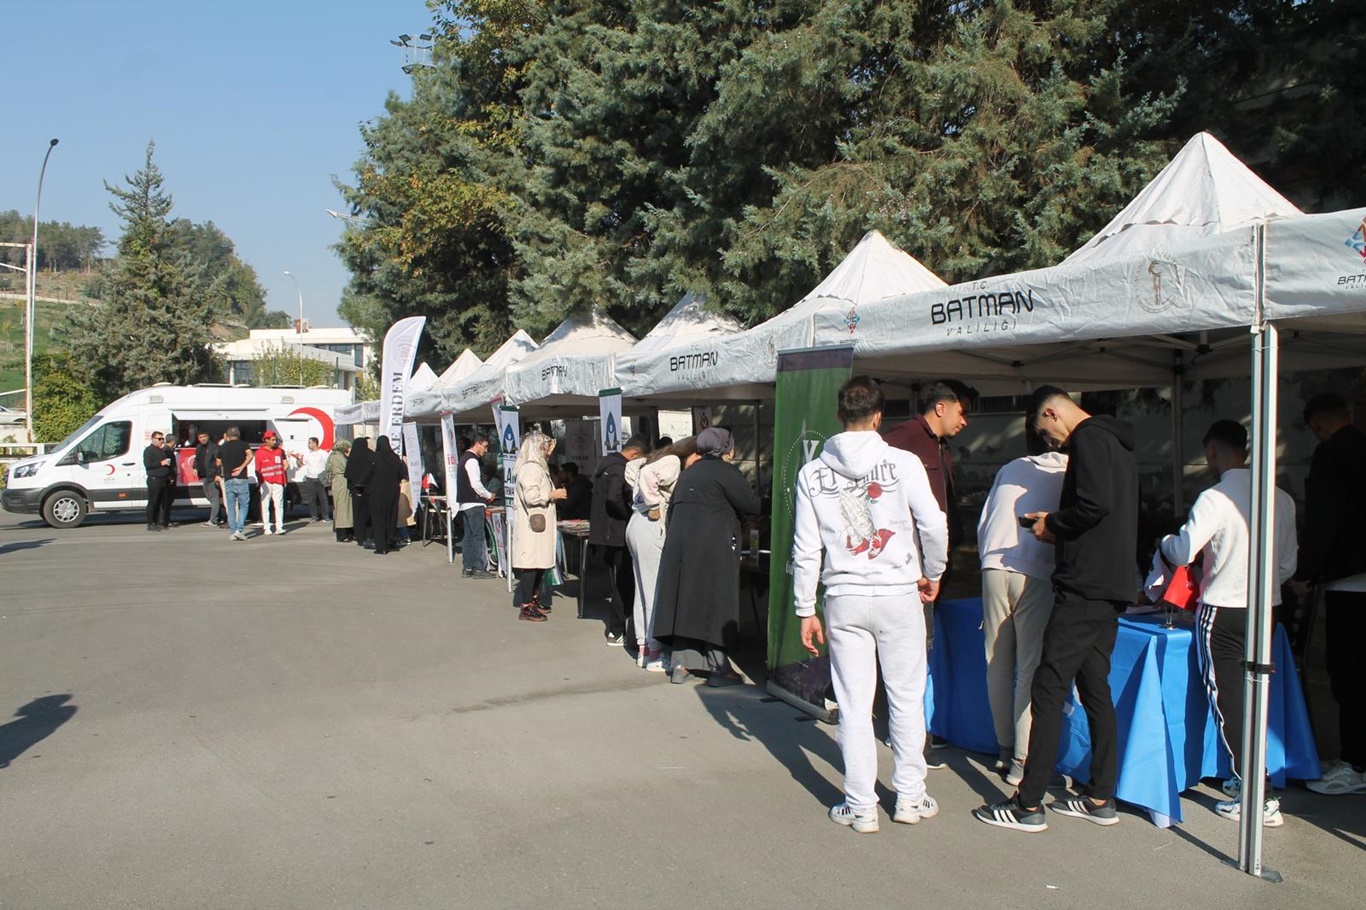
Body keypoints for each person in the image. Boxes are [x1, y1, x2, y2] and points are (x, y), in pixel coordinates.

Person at [975, 386, 1137, 833]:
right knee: (1094, 686)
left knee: (1047, 685)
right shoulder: (1117, 444)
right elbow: (1105, 506)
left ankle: (1028, 803)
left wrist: (1053, 524)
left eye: (1045, 429)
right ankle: (1101, 796)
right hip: (1110, 582)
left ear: (1052, 411)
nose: (1049, 439)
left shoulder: (1088, 439)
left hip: (1084, 583)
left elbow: (1093, 505)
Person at [792, 377, 948, 833]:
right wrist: (933, 572)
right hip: (899, 590)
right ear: (879, 416)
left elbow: (805, 546)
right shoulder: (905, 462)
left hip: (845, 596)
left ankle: (860, 804)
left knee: (854, 703)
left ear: (840, 416)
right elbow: (934, 525)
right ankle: (910, 797)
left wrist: (805, 607)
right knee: (904, 697)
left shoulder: (812, 472)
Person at [1159, 419, 1298, 825]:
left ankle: (1258, 793)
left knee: (1229, 701)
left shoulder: (1214, 497)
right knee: (1252, 697)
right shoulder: (1281, 498)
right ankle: (1254, 781)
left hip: (1221, 609)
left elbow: (1184, 551)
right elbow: (1288, 564)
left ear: (1213, 452)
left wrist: (1163, 542)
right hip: (1264, 607)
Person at [884, 380, 972, 764]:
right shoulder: (902, 439)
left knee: (924, 647)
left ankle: (916, 725)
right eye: (961, 411)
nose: (964, 421)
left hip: (935, 566)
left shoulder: (939, 445)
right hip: (909, 566)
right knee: (912, 650)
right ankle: (907, 732)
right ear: (941, 407)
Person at [976, 431, 1068, 786]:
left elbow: (985, 519)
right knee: (1029, 668)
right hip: (1037, 569)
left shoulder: (1012, 466)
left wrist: (988, 558)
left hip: (994, 564)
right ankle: (1021, 760)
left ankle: (1004, 748)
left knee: (996, 662)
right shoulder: (1070, 474)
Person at [1293, 393, 1366, 795]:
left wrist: (1306, 572)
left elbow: (1324, 519)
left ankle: (1356, 763)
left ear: (1317, 424)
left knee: (1349, 674)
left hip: (1349, 578)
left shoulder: (1331, 455)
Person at [653, 427, 762, 686]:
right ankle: (719, 669)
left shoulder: (689, 474)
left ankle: (681, 664)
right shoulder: (725, 472)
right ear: (725, 448)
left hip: (681, 548)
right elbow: (752, 505)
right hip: (714, 548)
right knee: (716, 604)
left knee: (687, 601)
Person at [625, 436, 699, 670]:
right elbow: (647, 477)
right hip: (649, 525)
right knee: (654, 591)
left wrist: (644, 499)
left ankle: (645, 648)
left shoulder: (656, 458)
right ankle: (655, 653)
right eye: (698, 457)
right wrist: (655, 504)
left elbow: (632, 469)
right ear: (691, 452)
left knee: (642, 591)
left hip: (636, 522)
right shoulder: (673, 462)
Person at [589, 435, 647, 646]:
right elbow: (614, 497)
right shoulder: (619, 468)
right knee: (624, 581)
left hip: (606, 531)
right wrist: (629, 514)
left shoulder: (605, 464)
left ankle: (620, 627)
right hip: (617, 531)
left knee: (620, 580)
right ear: (635, 454)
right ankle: (616, 630)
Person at [511, 430, 568, 621]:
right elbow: (531, 496)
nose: (548, 451)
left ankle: (532, 600)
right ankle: (526, 605)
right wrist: (553, 495)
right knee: (531, 564)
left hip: (539, 526)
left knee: (538, 564)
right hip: (533, 527)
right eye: (545, 447)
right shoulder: (530, 469)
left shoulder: (537, 467)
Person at [457, 432, 498, 578]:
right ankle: (479, 568)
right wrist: (488, 495)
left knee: (468, 536)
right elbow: (476, 483)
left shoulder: (463, 459)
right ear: (478, 444)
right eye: (485, 446)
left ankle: (468, 568)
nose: (486, 450)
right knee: (478, 536)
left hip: (465, 503)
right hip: (474, 503)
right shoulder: (472, 460)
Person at [367, 436, 406, 555]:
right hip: (393, 490)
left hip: (377, 492)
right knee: (391, 516)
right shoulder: (395, 457)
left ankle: (381, 546)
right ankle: (391, 541)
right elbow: (402, 474)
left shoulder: (374, 457)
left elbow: (368, 474)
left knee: (379, 518)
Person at [215, 426, 253, 541]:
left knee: (231, 506)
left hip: (228, 478)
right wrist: (241, 467)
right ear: (238, 434)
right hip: (241, 478)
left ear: (227, 435)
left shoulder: (222, 447)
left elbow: (218, 463)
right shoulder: (243, 444)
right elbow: (250, 455)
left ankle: (233, 531)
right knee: (244, 505)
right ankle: (239, 530)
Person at [254, 431, 289, 535]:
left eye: (275, 440)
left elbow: (286, 464)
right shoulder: (259, 452)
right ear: (266, 440)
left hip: (278, 481)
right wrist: (260, 481)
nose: (274, 442)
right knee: (265, 505)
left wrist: (283, 475)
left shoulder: (280, 451)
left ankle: (279, 527)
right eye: (272, 440)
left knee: (279, 505)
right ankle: (267, 527)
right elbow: (258, 468)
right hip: (266, 482)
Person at [345, 437, 375, 549]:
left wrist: (353, 490)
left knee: (358, 515)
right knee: (369, 514)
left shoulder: (352, 458)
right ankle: (369, 535)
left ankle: (360, 537)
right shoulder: (370, 455)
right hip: (369, 491)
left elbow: (348, 476)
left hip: (356, 493)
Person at [143, 430, 174, 531]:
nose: (161, 441)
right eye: (159, 439)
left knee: (161, 502)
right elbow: (148, 465)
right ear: (153, 439)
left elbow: (166, 466)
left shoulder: (161, 451)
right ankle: (150, 523)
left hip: (163, 479)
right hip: (154, 479)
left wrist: (169, 476)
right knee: (153, 502)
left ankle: (157, 522)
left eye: (162, 439)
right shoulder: (149, 450)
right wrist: (161, 463)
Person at [296, 437, 332, 523]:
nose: (308, 445)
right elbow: (300, 464)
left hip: (320, 479)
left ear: (315, 443)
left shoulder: (323, 453)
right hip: (310, 478)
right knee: (311, 498)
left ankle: (326, 516)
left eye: (310, 443)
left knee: (323, 498)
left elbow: (329, 465)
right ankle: (314, 516)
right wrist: (298, 459)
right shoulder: (307, 454)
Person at [193, 430, 223, 527]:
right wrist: (195, 468)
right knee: (209, 497)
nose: (203, 439)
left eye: (204, 436)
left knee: (214, 498)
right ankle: (219, 517)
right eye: (201, 437)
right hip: (204, 476)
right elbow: (197, 460)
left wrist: (218, 474)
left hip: (212, 476)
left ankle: (213, 520)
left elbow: (219, 461)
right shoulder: (199, 447)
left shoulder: (214, 447)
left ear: (208, 436)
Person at [328, 440, 353, 542]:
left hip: (336, 482)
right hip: (342, 482)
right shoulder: (339, 457)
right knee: (343, 507)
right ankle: (343, 533)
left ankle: (342, 531)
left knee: (339, 507)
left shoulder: (332, 456)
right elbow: (347, 468)